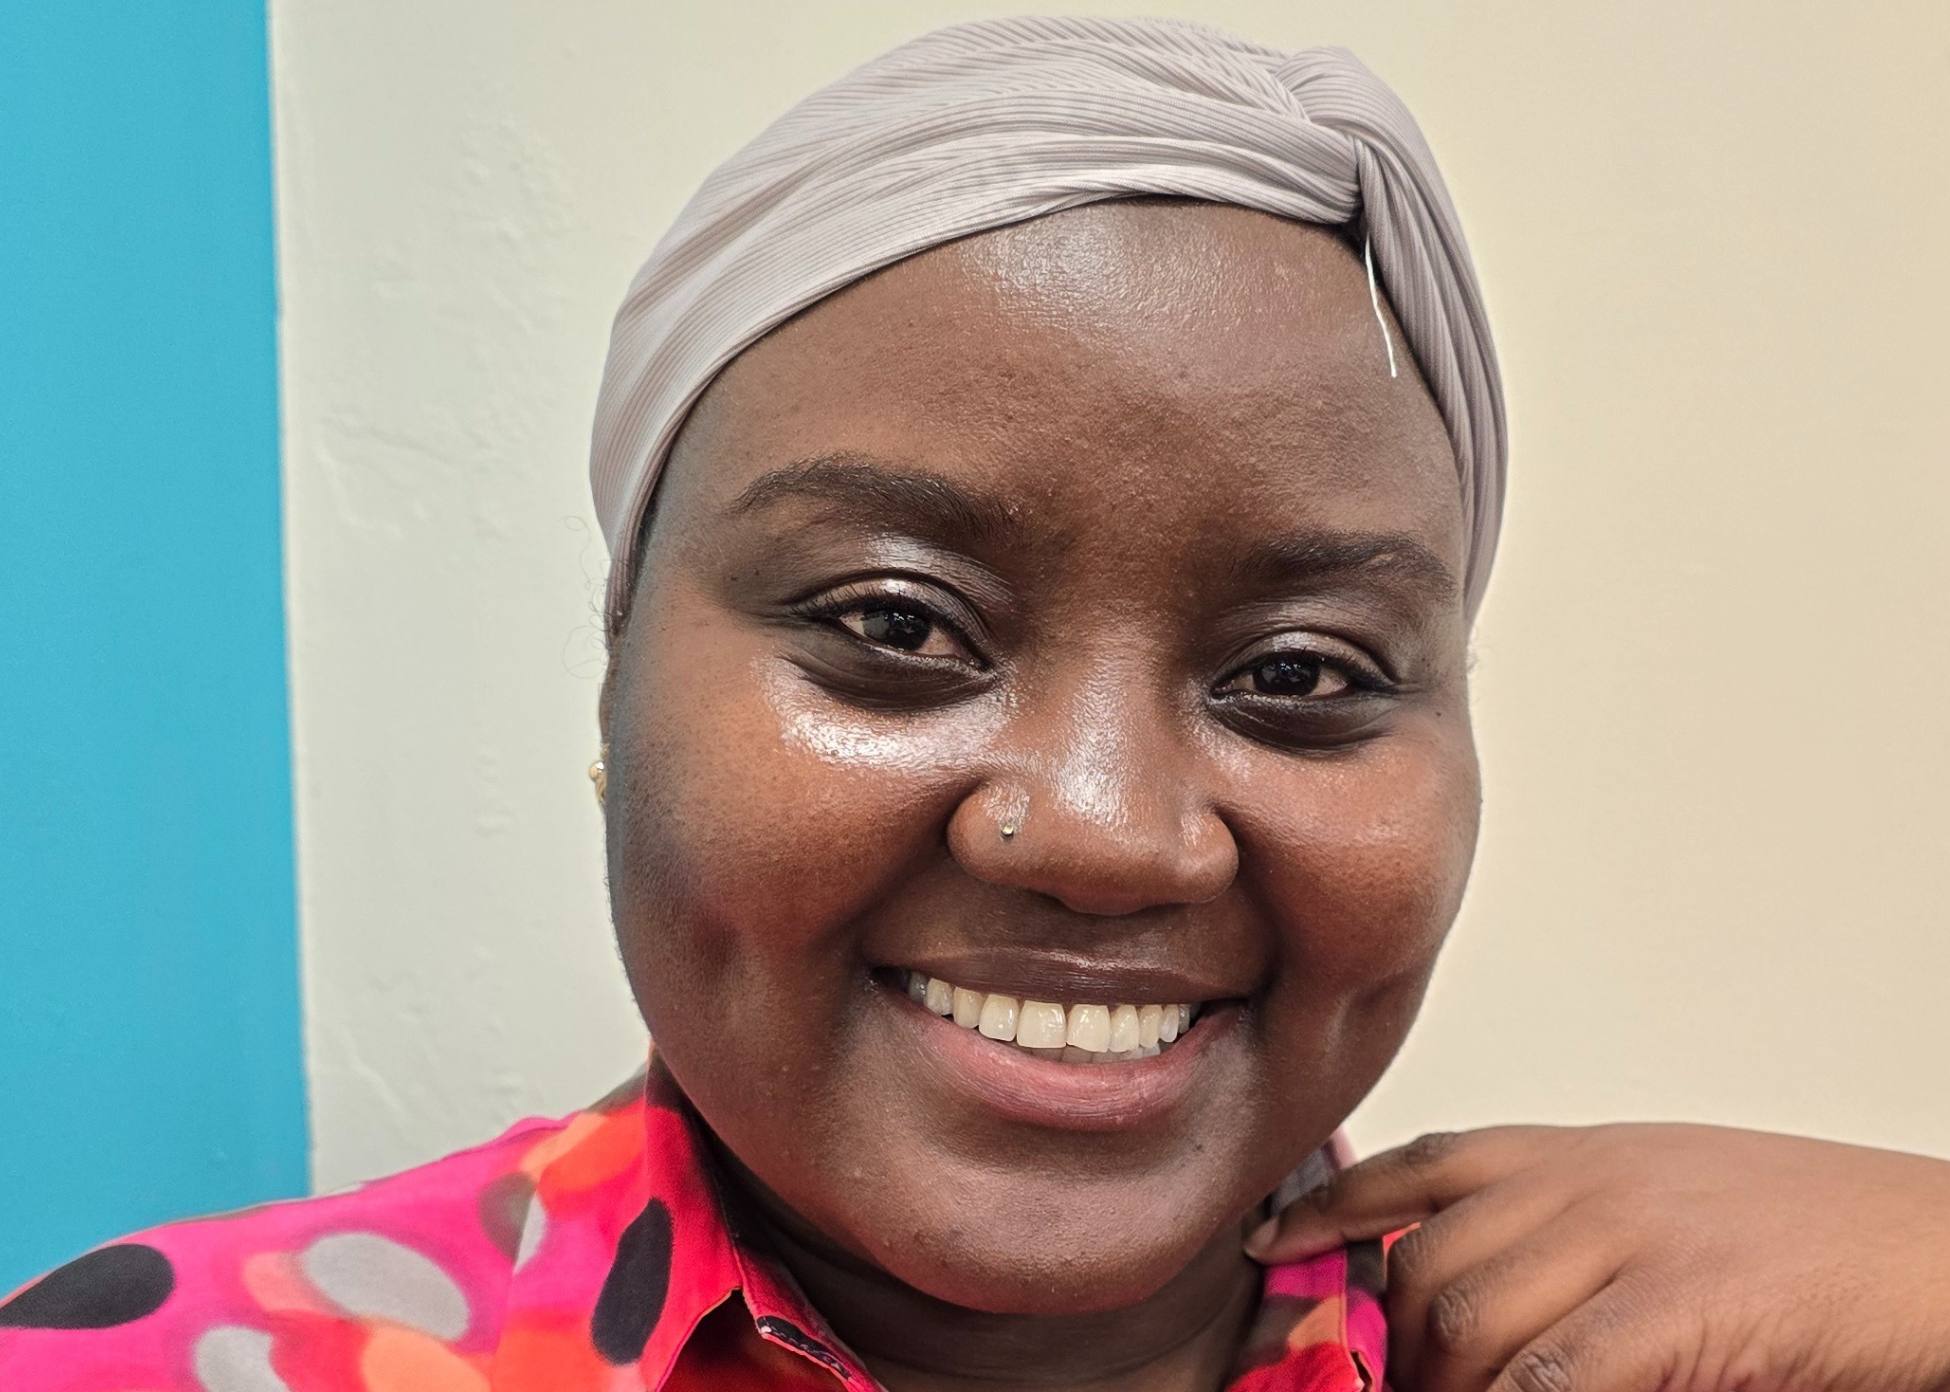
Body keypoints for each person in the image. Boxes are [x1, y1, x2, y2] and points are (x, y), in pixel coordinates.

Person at [4, 15, 1946, 1392]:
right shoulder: (165, 1367)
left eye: (1299, 675)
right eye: (896, 624)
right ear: (620, 682)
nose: (1104, 826)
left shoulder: (1737, 1356)